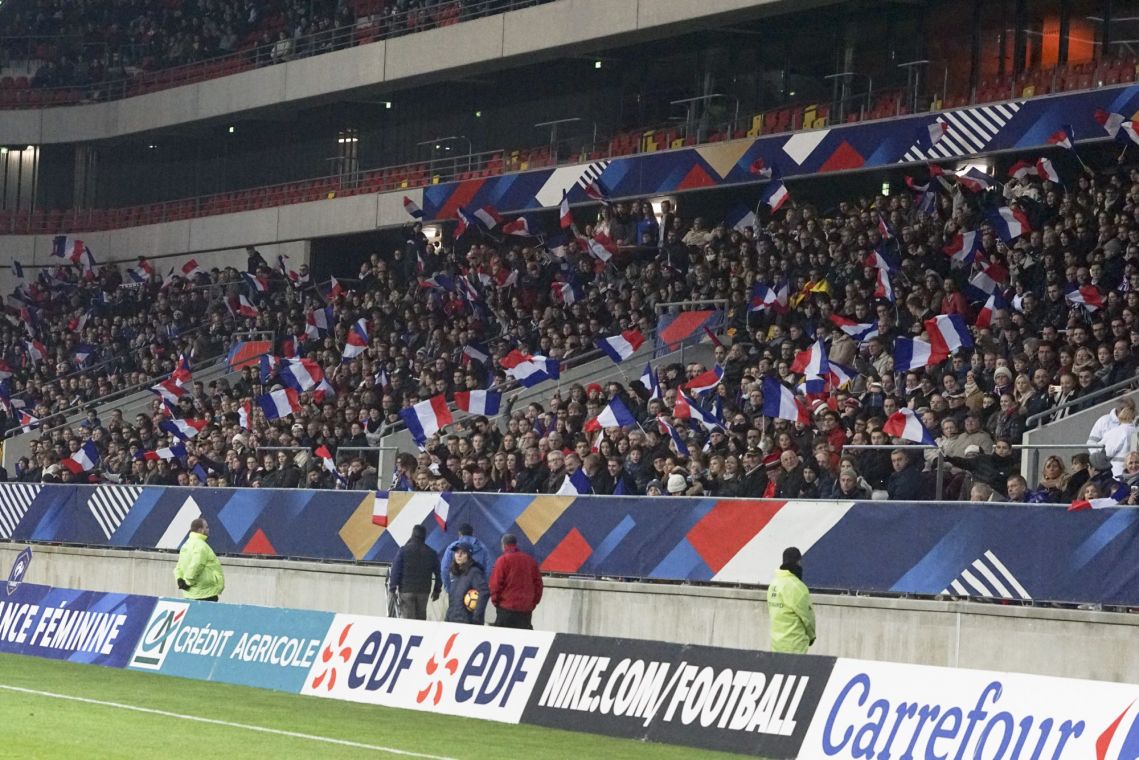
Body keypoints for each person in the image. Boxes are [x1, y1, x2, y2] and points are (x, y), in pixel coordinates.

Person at [489, 533, 543, 629]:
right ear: (516, 544)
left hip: (506, 609)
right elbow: (538, 585)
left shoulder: (503, 560)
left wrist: (496, 602)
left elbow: (495, 584)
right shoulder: (530, 561)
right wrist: (533, 603)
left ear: (503, 545)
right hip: (525, 611)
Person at [388, 524, 442, 620]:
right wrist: (437, 590)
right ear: (424, 536)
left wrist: (392, 588)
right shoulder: (431, 553)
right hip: (424, 591)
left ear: (412, 535)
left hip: (406, 590)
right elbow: (439, 573)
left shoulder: (403, 551)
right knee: (420, 619)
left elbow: (395, 570)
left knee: (408, 621)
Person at [767, 546, 815, 654]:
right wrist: (812, 636)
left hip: (776, 646)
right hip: (795, 647)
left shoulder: (773, 584)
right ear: (798, 562)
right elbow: (807, 617)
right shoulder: (797, 587)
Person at [174, 518, 225, 601]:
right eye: (206, 527)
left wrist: (179, 579)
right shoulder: (201, 546)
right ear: (200, 530)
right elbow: (197, 565)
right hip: (205, 593)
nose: (208, 529)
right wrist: (188, 582)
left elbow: (178, 566)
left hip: (190, 593)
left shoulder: (186, 545)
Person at [445, 542, 490, 625]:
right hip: (452, 620)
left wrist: (476, 618)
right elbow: (453, 600)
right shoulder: (455, 573)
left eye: (463, 553)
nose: (459, 555)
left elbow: (484, 592)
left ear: (469, 556)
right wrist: (448, 617)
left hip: (467, 622)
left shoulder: (474, 572)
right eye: (457, 552)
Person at [440, 523, 491, 594]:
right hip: (476, 588)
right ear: (473, 533)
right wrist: (482, 586)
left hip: (457, 587)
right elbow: (488, 570)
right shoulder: (483, 548)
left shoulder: (452, 547)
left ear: (459, 533)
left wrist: (448, 588)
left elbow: (444, 569)